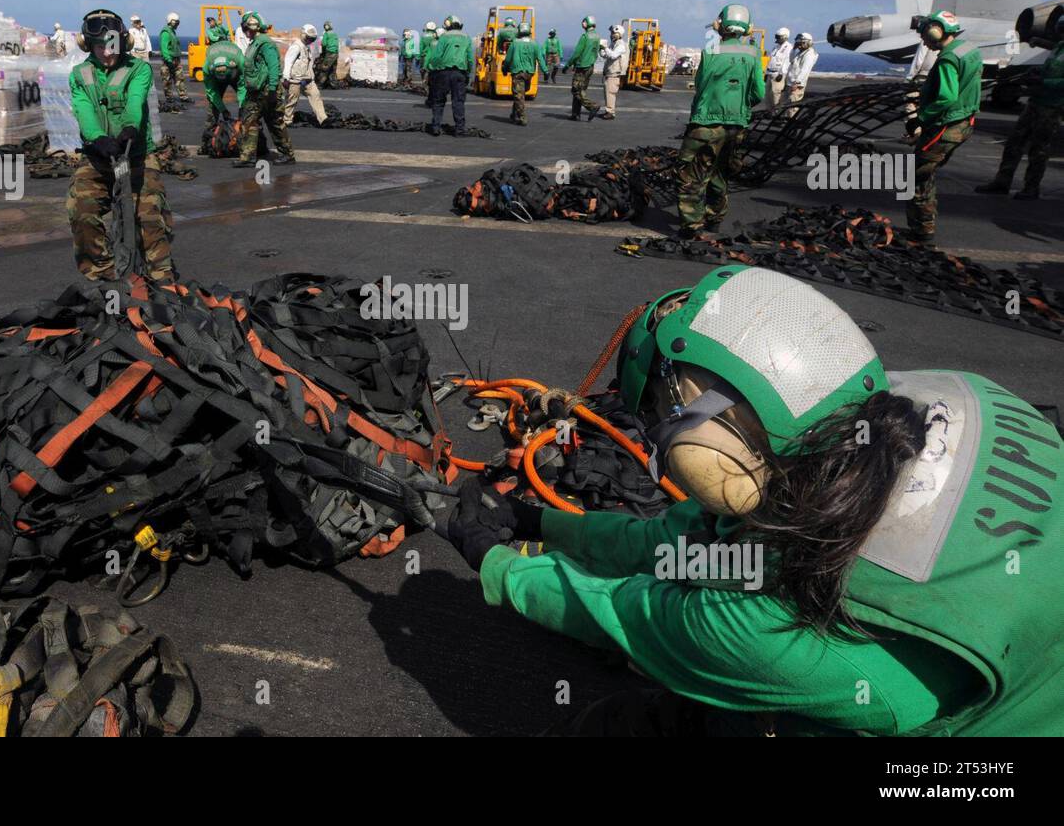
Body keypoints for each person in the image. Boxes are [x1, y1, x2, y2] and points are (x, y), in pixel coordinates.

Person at [446, 263, 1064, 737]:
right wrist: (547, 523)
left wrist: (497, 563)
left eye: (662, 424)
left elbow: (629, 614)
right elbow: (682, 542)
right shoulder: (952, 398)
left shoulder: (764, 636)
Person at [66, 8, 174, 283]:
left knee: (148, 216)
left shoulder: (138, 69)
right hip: (98, 156)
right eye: (99, 45)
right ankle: (103, 274)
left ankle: (161, 280)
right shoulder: (80, 74)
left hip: (136, 155)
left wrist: (129, 129)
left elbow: (135, 102)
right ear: (88, 45)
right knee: (81, 210)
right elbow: (83, 109)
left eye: (111, 44)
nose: (106, 52)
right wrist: (97, 138)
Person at [674, 4, 764, 239]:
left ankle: (692, 226)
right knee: (719, 172)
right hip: (736, 126)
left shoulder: (710, 50)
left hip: (705, 124)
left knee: (690, 175)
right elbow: (759, 93)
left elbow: (701, 85)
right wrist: (740, 108)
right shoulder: (753, 53)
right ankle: (715, 217)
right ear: (748, 29)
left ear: (719, 24)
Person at [907, 10, 982, 243]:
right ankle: (925, 222)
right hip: (965, 121)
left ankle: (923, 228)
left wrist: (920, 118)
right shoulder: (969, 49)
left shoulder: (947, 59)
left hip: (946, 125)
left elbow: (947, 97)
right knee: (927, 169)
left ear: (936, 31)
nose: (923, 40)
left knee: (917, 174)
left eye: (924, 35)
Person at [974, 14, 1064, 201]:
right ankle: (1002, 182)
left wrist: (1043, 81)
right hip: (1036, 101)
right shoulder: (1059, 48)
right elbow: (1051, 69)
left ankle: (1031, 188)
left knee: (1039, 149)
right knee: (1014, 142)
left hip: (1052, 106)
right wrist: (1037, 72)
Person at [234, 11, 295, 168]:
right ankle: (247, 157)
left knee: (274, 122)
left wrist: (273, 89)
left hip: (267, 90)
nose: (246, 31)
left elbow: (274, 66)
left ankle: (287, 154)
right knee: (249, 121)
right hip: (256, 91)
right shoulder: (255, 42)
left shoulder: (265, 43)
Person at [426, 14, 473, 136]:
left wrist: (433, 70)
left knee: (438, 101)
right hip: (459, 73)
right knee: (458, 101)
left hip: (443, 73)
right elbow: (470, 59)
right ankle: (459, 129)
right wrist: (468, 73)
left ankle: (436, 127)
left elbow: (436, 57)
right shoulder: (466, 37)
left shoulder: (444, 37)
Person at [201, 23, 246, 145]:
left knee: (248, 106)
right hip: (218, 76)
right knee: (213, 106)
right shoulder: (207, 68)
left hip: (235, 75)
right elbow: (212, 92)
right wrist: (223, 109)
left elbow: (243, 85)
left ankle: (249, 138)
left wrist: (242, 106)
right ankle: (209, 139)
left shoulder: (239, 60)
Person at [282, 24, 328, 127]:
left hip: (308, 79)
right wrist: (286, 78)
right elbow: (288, 61)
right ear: (303, 35)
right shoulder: (296, 47)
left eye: (312, 39)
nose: (310, 40)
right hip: (295, 79)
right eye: (309, 38)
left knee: (316, 96)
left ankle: (323, 119)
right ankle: (287, 120)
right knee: (292, 100)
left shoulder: (306, 47)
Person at [502, 23, 543, 126]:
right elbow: (540, 58)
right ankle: (513, 114)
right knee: (520, 93)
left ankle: (522, 117)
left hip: (518, 72)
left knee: (518, 95)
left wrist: (505, 69)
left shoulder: (515, 43)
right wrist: (546, 71)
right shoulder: (534, 43)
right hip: (529, 73)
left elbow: (508, 59)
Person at [562, 15, 601, 121]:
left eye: (584, 21)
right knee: (581, 89)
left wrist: (567, 65)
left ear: (588, 23)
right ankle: (575, 114)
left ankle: (592, 106)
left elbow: (576, 53)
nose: (582, 23)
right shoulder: (597, 36)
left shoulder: (585, 36)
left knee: (576, 91)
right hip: (590, 66)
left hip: (582, 68)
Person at [598, 24, 628, 119]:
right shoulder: (614, 44)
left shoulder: (621, 45)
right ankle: (608, 111)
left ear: (619, 33)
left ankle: (610, 112)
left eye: (613, 33)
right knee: (607, 93)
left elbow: (613, 55)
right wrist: (602, 49)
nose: (611, 35)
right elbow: (606, 55)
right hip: (610, 72)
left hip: (614, 73)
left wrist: (605, 47)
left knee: (610, 93)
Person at [158, 12, 187, 101]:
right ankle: (169, 97)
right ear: (171, 21)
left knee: (180, 78)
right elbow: (164, 48)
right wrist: (168, 60)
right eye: (176, 22)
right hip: (169, 60)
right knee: (167, 80)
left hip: (176, 60)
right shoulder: (166, 33)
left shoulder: (172, 32)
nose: (177, 24)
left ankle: (183, 96)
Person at [784, 32, 818, 107]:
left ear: (807, 43)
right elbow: (791, 59)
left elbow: (804, 70)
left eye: (801, 43)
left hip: (796, 85)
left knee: (792, 108)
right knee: (786, 107)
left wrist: (797, 83)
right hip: (790, 83)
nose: (799, 46)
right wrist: (793, 49)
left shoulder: (809, 55)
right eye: (798, 44)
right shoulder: (800, 53)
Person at [764, 27, 792, 110]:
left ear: (784, 37)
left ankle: (776, 113)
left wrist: (781, 73)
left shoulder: (789, 47)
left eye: (778, 37)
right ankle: (768, 111)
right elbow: (771, 60)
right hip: (770, 73)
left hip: (778, 74)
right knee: (767, 94)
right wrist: (766, 73)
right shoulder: (776, 47)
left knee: (776, 94)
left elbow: (787, 61)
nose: (777, 38)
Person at [315, 20, 340, 88]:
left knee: (324, 68)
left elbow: (324, 44)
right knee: (332, 69)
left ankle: (320, 84)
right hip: (336, 54)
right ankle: (334, 84)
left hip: (329, 53)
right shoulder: (335, 34)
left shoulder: (326, 34)